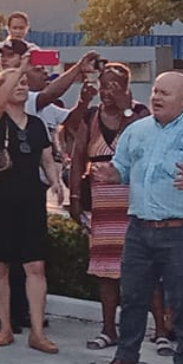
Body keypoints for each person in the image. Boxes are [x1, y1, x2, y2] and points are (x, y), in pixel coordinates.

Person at [92, 73, 183, 364]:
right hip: (139, 228)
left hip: (182, 230)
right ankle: (126, 358)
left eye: (165, 93)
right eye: (155, 91)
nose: (156, 97)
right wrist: (110, 174)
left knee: (182, 299)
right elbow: (123, 168)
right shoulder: (136, 131)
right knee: (134, 296)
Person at [0, 66, 66, 354]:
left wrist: (56, 183)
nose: (22, 86)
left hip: (30, 201)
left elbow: (47, 158)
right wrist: (18, 67)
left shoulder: (37, 124)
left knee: (36, 266)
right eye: (16, 82)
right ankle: (4, 326)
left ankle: (37, 332)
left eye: (25, 82)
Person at [65, 62, 149, 349]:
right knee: (105, 268)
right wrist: (74, 197)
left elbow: (142, 145)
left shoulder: (140, 115)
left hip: (135, 200)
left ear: (127, 88)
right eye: (103, 85)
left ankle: (158, 329)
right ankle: (108, 329)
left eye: (114, 85)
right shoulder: (92, 116)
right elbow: (77, 158)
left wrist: (125, 108)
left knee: (142, 267)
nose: (107, 91)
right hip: (102, 202)